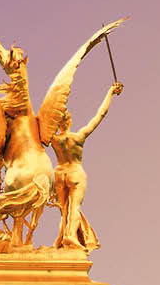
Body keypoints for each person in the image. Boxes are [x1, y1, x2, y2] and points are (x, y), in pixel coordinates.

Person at [49, 81, 123, 250]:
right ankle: (69, 236)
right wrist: (110, 93)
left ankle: (60, 239)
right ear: (69, 121)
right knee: (74, 207)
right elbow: (100, 115)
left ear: (58, 123)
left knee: (64, 210)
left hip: (59, 173)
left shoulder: (54, 140)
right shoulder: (79, 137)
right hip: (75, 173)